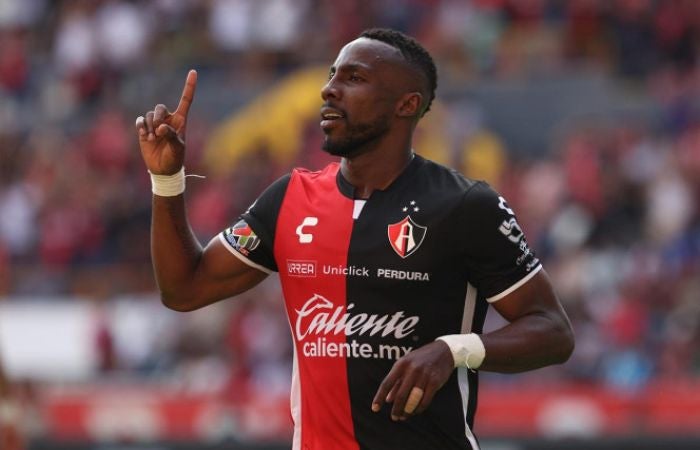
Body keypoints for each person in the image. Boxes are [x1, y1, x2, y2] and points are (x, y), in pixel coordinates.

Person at [135, 28, 574, 450]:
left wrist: (453, 350)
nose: (329, 90)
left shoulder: (465, 206)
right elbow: (184, 290)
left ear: (407, 105)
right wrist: (167, 179)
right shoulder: (289, 199)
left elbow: (553, 331)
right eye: (332, 75)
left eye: (354, 78)